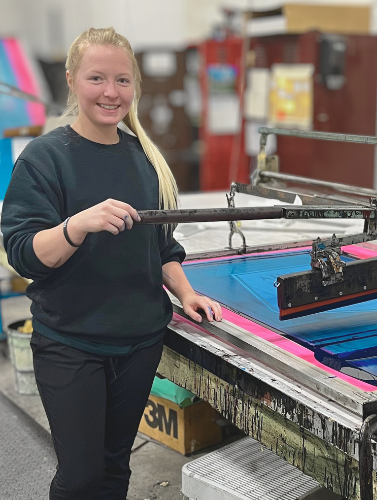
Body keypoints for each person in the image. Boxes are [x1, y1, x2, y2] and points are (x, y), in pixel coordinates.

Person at [1, 27, 222, 500]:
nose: (110, 92)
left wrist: (186, 294)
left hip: (139, 343)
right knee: (80, 477)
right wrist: (76, 226)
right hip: (71, 344)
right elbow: (23, 254)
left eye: (122, 80)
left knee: (115, 469)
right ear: (71, 80)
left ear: (134, 86)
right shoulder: (45, 158)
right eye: (97, 78)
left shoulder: (146, 158)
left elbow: (162, 248)